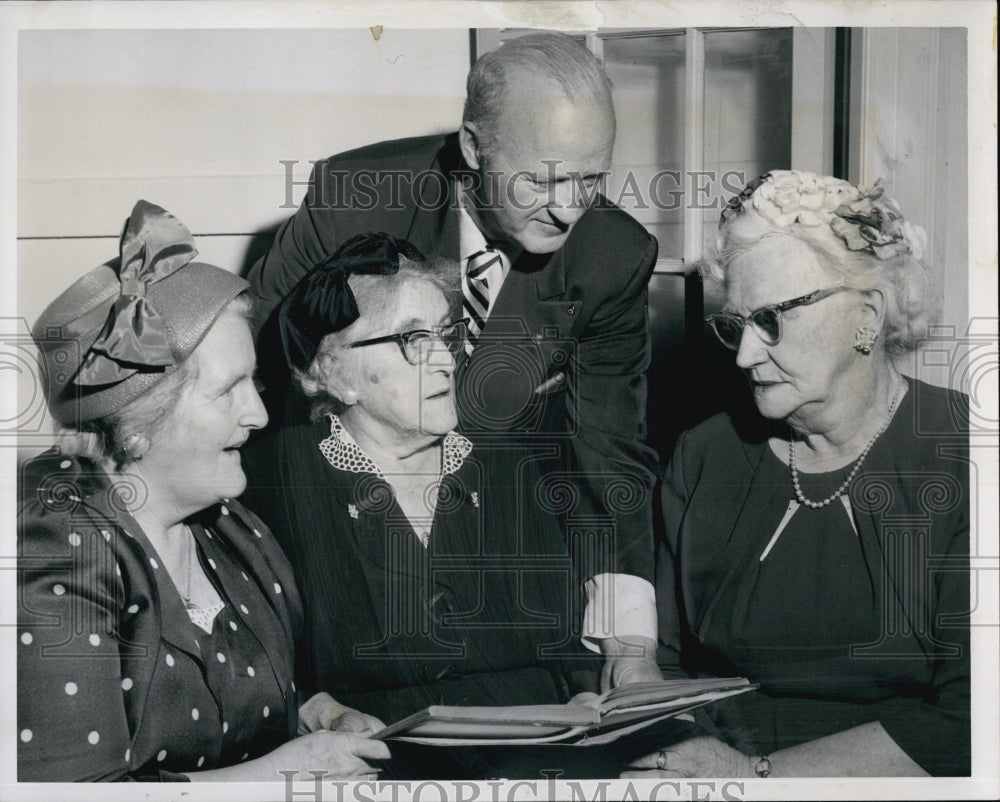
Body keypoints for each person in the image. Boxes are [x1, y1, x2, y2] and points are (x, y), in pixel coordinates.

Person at [246, 32, 662, 687]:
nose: (568, 208)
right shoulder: (351, 197)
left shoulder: (612, 254)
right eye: (543, 179)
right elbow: (259, 375)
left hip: (507, 561)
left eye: (591, 179)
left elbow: (607, 455)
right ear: (474, 146)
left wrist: (631, 646)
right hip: (337, 541)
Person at [17, 201, 390, 782]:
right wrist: (282, 777)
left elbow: (227, 703)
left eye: (255, 382)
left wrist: (318, 714)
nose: (261, 414)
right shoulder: (48, 547)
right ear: (140, 423)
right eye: (229, 390)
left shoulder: (229, 526)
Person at [625, 171, 970, 778]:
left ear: (867, 314)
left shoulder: (968, 455)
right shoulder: (706, 455)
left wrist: (759, 780)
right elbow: (669, 668)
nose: (744, 355)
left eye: (772, 322)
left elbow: (972, 720)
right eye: (736, 324)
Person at [241, 232, 612, 778]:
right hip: (376, 768)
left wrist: (586, 702)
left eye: (446, 335)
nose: (444, 360)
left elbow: (566, 646)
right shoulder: (272, 479)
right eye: (412, 340)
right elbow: (257, 674)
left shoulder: (507, 466)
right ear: (330, 372)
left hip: (538, 761)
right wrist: (324, 711)